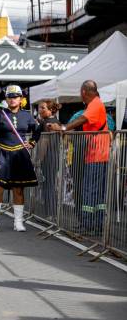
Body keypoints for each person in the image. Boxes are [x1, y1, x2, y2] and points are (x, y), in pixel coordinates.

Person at [47, 80, 110, 234]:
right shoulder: (95, 104)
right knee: (95, 192)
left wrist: (63, 128)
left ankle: (90, 225)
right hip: (96, 154)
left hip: (97, 155)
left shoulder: (95, 104)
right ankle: (96, 225)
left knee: (90, 191)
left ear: (83, 92)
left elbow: (82, 119)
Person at [0, 86, 41, 232]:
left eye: (15, 96)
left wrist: (33, 142)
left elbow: (37, 129)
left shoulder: (27, 115)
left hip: (19, 155)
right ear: (6, 99)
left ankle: (18, 222)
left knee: (18, 189)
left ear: (21, 99)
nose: (12, 99)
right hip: (1, 153)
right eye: (9, 96)